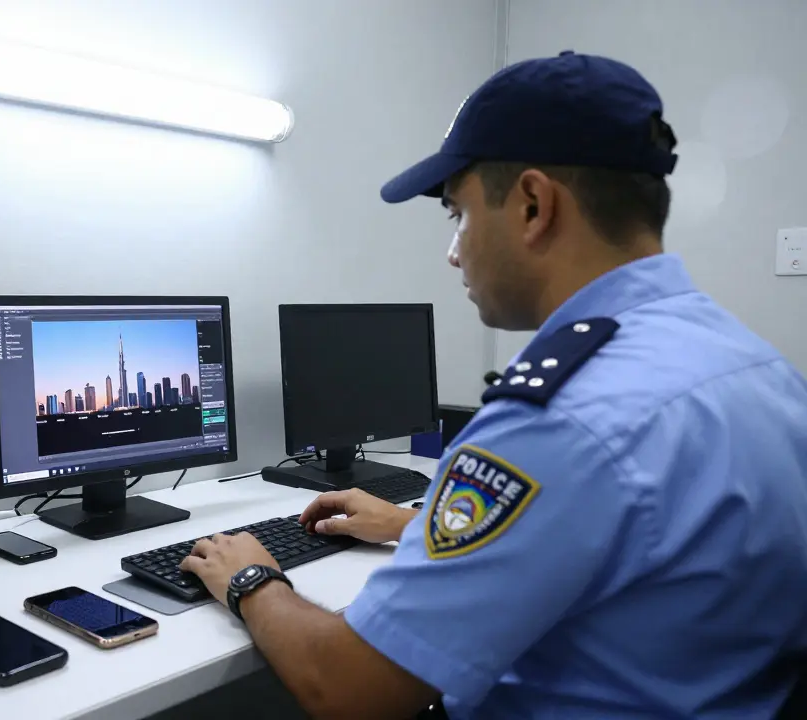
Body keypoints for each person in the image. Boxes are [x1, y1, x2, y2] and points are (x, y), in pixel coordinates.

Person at [179, 51, 807, 719]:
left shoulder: (555, 419)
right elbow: (645, 544)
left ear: (534, 205)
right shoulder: (759, 368)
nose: (454, 251)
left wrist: (250, 578)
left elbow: (349, 689)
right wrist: (412, 524)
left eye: (458, 214)